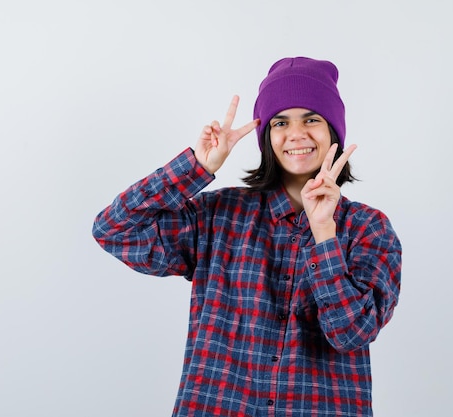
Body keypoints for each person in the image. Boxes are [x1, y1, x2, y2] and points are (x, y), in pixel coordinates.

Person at [93, 57, 402, 417]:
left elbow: (351, 334)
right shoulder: (218, 214)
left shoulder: (370, 229)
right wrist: (197, 166)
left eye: (312, 119)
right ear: (267, 136)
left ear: (333, 130)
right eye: (281, 122)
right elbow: (114, 230)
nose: (296, 133)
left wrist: (324, 236)